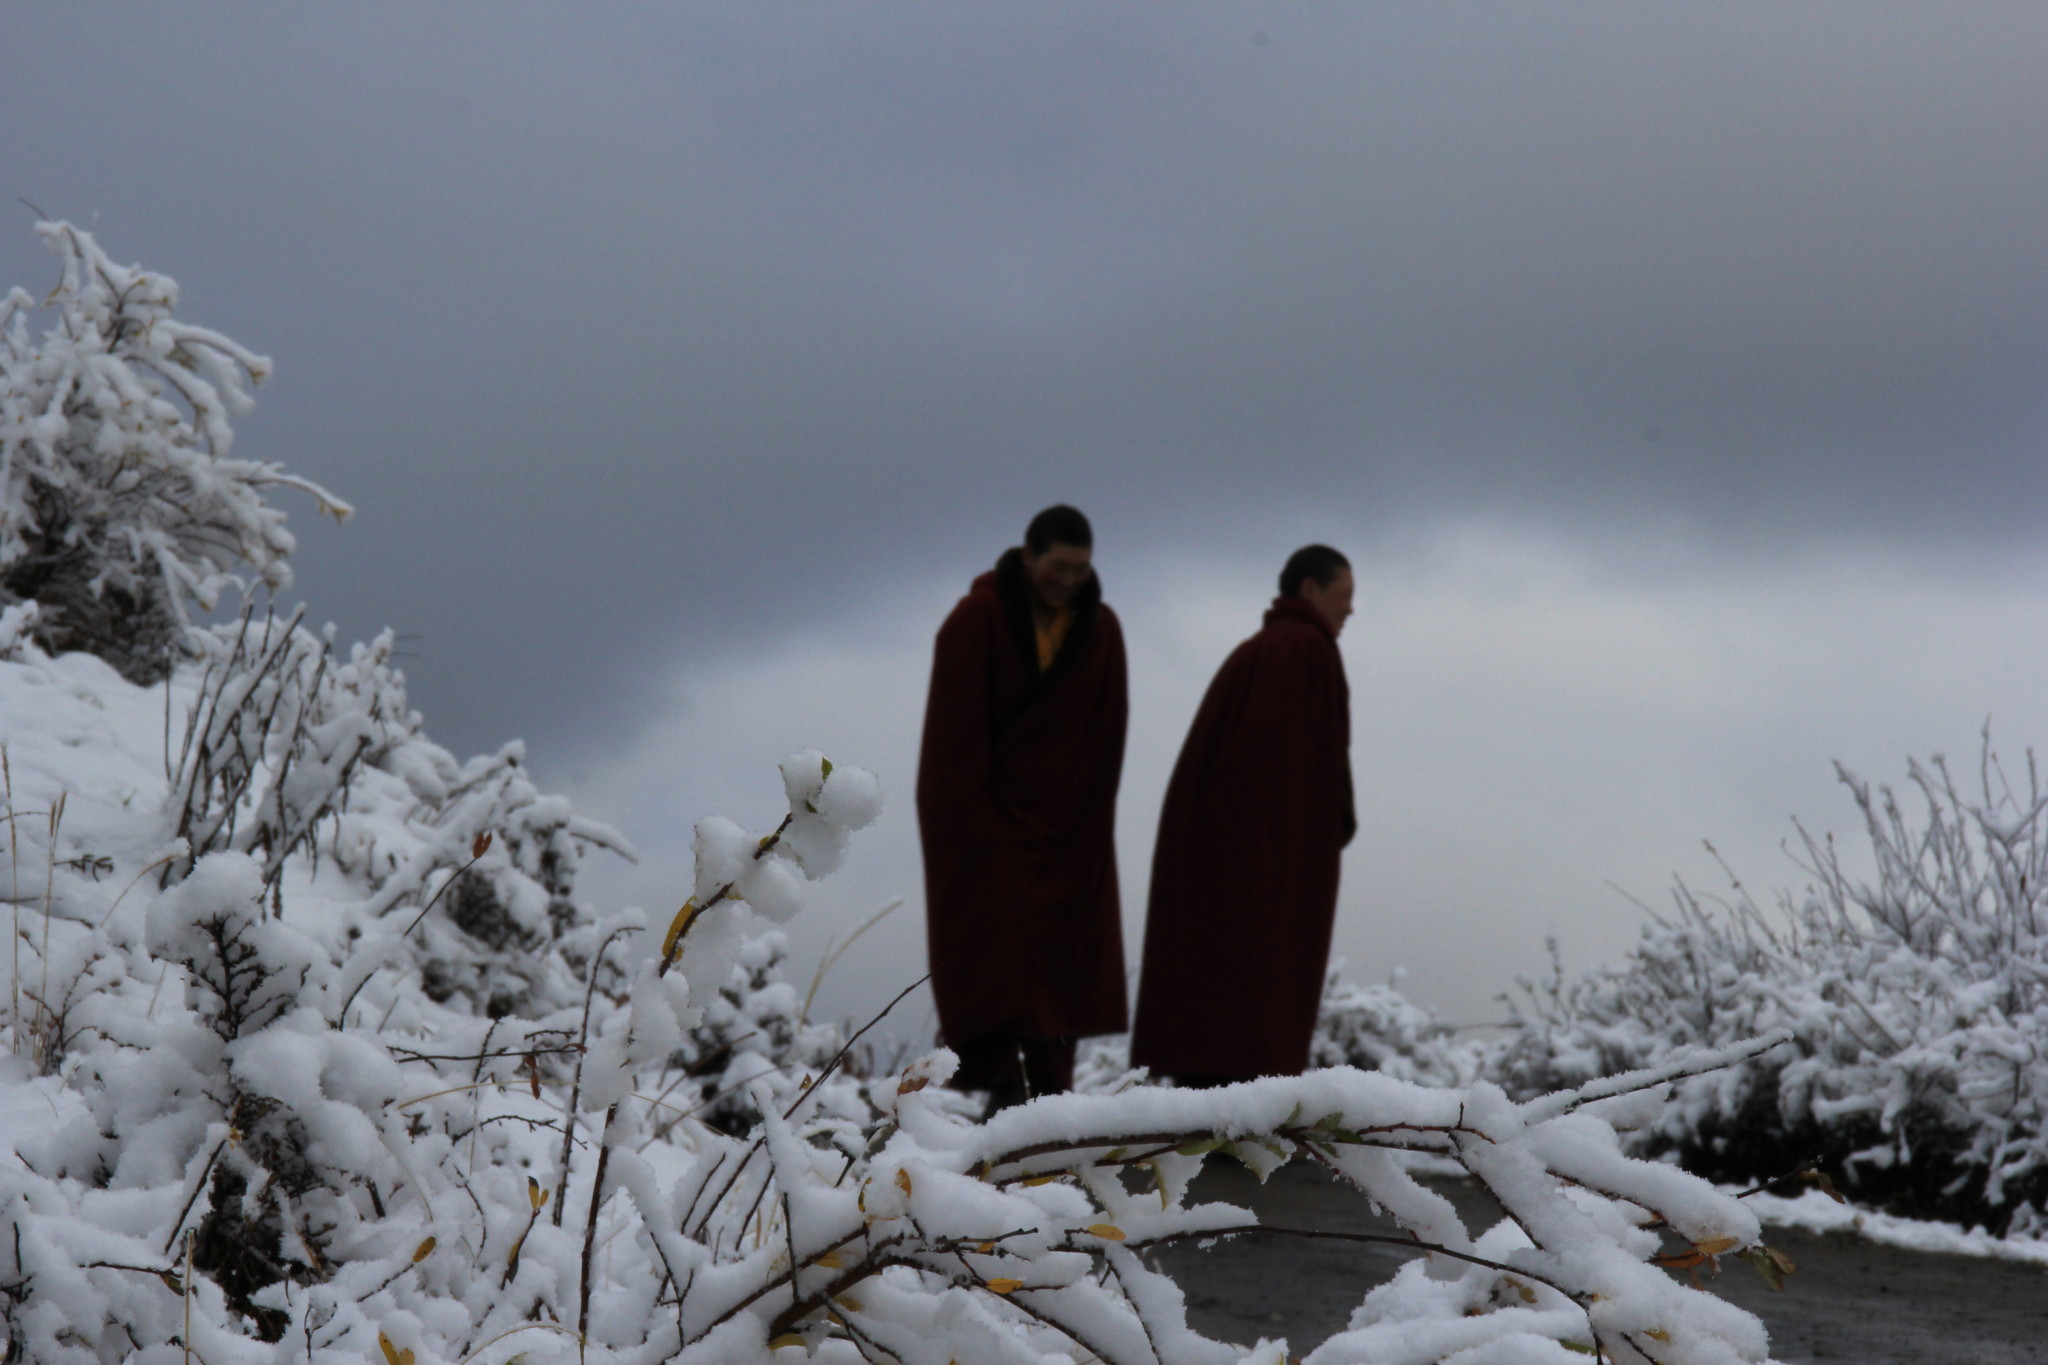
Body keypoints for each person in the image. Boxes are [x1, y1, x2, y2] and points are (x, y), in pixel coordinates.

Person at [917, 505, 1130, 1111]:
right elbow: (952, 742)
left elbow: (1108, 731)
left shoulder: (1102, 628)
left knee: (1064, 967)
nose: (1069, 581)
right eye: (1059, 567)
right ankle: (1002, 1089)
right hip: (994, 827)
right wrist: (968, 828)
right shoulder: (975, 620)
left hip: (1070, 829)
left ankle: (1051, 1099)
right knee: (997, 958)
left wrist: (1090, 822)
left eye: (1082, 570)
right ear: (1029, 556)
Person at [1129, 544, 1356, 1085]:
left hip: (1223, 848)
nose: (1350, 611)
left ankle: (1203, 1097)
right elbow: (1300, 767)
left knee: (1212, 971)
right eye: (1343, 596)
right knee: (1261, 976)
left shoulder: (1254, 651)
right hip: (1269, 855)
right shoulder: (1307, 650)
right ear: (1309, 590)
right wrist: (1315, 836)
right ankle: (1241, 1110)